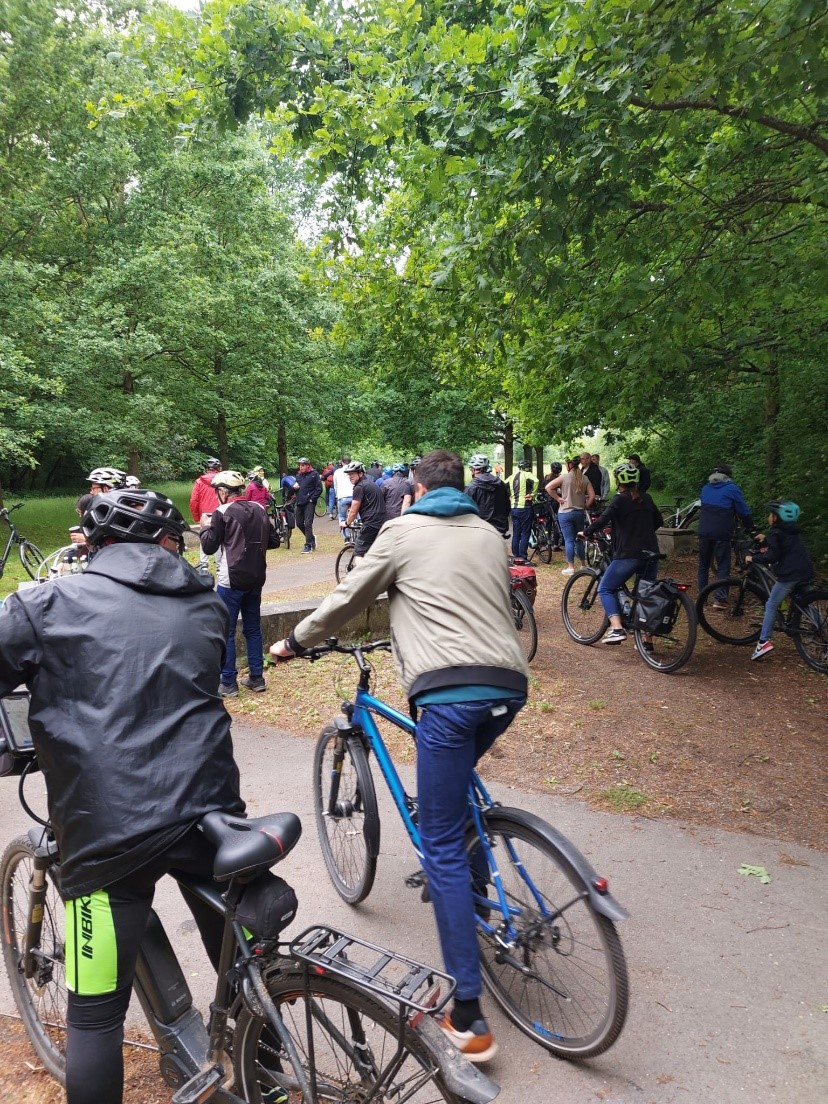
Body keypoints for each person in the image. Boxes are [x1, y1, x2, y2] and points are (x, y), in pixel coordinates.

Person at [271, 450, 529, 1062]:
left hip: (448, 692)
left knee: (436, 840)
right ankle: (474, 883)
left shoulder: (403, 531)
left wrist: (294, 639)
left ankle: (468, 1015)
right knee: (455, 795)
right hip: (507, 686)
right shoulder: (490, 534)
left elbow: (350, 596)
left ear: (415, 489)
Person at [0, 488, 246, 1104]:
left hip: (108, 834)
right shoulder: (206, 605)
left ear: (93, 544)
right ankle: (259, 1067)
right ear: (169, 544)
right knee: (240, 974)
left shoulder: (46, 602)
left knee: (95, 1020)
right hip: (211, 814)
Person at [200, 470, 280, 696]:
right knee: (252, 629)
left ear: (223, 492)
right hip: (256, 578)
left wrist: (206, 525)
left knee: (226, 630)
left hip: (230, 580)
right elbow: (274, 540)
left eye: (218, 492)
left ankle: (228, 682)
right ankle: (257, 678)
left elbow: (208, 547)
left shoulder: (221, 512)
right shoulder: (259, 508)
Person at [581, 462, 663, 645]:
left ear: (619, 481)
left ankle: (617, 628)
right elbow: (658, 521)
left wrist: (585, 532)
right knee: (644, 594)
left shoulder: (620, 499)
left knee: (605, 588)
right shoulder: (647, 497)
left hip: (629, 553)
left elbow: (603, 519)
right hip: (652, 553)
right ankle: (647, 640)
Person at [746, 501, 814, 661]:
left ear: (776, 518)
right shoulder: (791, 531)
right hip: (804, 571)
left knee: (771, 604)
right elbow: (782, 545)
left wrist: (753, 558)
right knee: (804, 602)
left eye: (771, 515)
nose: (769, 517)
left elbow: (772, 556)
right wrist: (766, 539)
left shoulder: (777, 533)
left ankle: (763, 642)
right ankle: (821, 630)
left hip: (789, 575)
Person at [697, 464, 755, 603]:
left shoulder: (705, 489)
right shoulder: (732, 489)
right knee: (722, 564)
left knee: (703, 564)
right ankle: (720, 598)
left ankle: (702, 596)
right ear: (728, 476)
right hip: (722, 532)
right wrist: (751, 527)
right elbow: (743, 512)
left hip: (704, 530)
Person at [546, 456, 595, 574]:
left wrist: (558, 498)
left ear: (569, 465)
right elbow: (592, 496)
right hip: (579, 513)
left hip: (565, 512)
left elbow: (548, 487)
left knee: (568, 540)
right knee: (579, 539)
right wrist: (585, 506)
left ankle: (571, 567)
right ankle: (583, 565)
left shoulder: (564, 477)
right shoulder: (584, 478)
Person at [341, 460, 386, 558]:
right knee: (373, 551)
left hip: (371, 523)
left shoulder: (359, 487)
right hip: (382, 521)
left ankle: (360, 573)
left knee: (358, 553)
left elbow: (353, 511)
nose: (350, 477)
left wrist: (347, 523)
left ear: (360, 473)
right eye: (349, 475)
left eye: (352, 474)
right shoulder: (371, 484)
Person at [464, 454, 510, 537]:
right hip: (499, 529)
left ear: (474, 470)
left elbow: (465, 512)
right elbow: (507, 507)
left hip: (480, 530)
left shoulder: (471, 487)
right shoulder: (501, 484)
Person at [190, 458, 222, 573]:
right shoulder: (222, 480)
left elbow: (194, 501)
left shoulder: (199, 481)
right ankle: (219, 565)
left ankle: (204, 564)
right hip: (219, 512)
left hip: (205, 514)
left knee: (204, 537)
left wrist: (196, 517)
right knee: (219, 538)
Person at [509, 459, 537, 560]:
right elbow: (536, 481)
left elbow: (503, 483)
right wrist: (532, 494)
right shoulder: (527, 474)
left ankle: (515, 555)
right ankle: (523, 556)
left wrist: (509, 495)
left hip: (514, 507)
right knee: (525, 532)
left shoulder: (513, 476)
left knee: (516, 532)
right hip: (525, 507)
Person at [294, 457, 323, 554]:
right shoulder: (298, 475)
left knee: (308, 524)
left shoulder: (314, 474)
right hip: (299, 502)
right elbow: (296, 489)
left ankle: (308, 545)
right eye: (300, 465)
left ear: (307, 465)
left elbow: (319, 489)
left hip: (309, 503)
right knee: (298, 523)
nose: (301, 467)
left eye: (303, 465)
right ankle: (311, 537)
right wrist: (294, 489)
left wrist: (312, 499)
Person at [332, 455, 355, 540]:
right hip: (354, 496)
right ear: (351, 461)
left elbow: (335, 486)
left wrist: (337, 495)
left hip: (342, 497)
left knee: (342, 516)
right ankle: (360, 531)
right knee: (358, 514)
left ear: (342, 462)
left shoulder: (337, 472)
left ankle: (346, 537)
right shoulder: (353, 471)